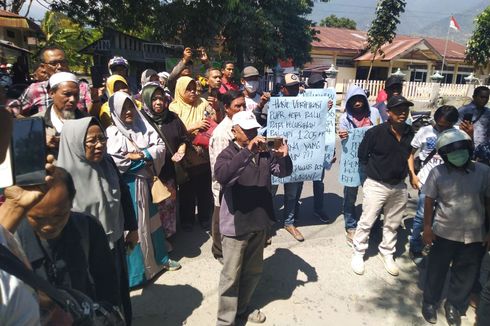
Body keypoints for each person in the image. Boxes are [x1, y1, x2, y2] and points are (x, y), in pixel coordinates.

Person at [215, 111, 292, 325]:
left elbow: (282, 172)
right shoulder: (228, 154)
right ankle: (225, 320)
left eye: (254, 130)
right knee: (231, 276)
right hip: (236, 224)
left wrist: (283, 156)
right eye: (246, 130)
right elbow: (223, 176)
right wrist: (248, 151)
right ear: (234, 131)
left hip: (259, 221)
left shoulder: (265, 153)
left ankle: (242, 309)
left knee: (253, 272)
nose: (252, 134)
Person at [57, 117, 138, 324]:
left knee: (119, 290)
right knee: (95, 299)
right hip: (85, 252)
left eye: (102, 138)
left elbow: (123, 196)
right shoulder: (61, 178)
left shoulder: (108, 162)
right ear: (74, 142)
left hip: (116, 239)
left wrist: (132, 228)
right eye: (91, 141)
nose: (99, 145)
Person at [15, 168, 121, 319]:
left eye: (58, 215)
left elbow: (107, 282)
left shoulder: (88, 228)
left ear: (71, 201)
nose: (49, 226)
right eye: (38, 218)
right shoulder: (12, 240)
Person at [106, 91, 180, 288]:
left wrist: (142, 154)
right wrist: (143, 158)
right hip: (129, 188)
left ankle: (160, 259)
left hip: (148, 184)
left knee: (153, 223)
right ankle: (137, 273)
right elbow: (116, 161)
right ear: (114, 112)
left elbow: (160, 148)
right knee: (135, 226)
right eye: (123, 109)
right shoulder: (112, 133)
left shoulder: (143, 126)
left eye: (130, 106)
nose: (129, 111)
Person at [421, 128, 490, 326]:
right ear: (443, 155)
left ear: (469, 149)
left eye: (461, 150)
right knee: (436, 270)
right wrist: (427, 228)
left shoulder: (484, 172)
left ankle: (454, 305)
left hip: (474, 234)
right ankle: (429, 302)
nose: (458, 155)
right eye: (452, 152)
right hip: (444, 231)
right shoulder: (437, 173)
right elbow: (429, 201)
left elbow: (488, 202)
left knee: (466, 273)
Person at [351, 95, 414, 276]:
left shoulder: (410, 132)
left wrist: (412, 175)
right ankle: (358, 252)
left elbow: (410, 153)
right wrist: (368, 181)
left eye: (405, 110)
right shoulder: (375, 132)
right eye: (398, 110)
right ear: (388, 113)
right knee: (367, 221)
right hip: (376, 184)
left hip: (399, 186)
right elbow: (362, 157)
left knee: (392, 223)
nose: (403, 113)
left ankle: (387, 253)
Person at [407, 106, 459, 264]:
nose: (441, 128)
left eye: (446, 125)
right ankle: (415, 246)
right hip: (426, 181)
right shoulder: (425, 131)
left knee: (444, 217)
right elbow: (410, 154)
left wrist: (469, 134)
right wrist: (412, 175)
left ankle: (435, 245)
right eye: (439, 124)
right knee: (422, 216)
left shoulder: (457, 133)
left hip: (449, 183)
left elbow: (467, 155)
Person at [140, 83, 188, 249]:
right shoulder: (140, 120)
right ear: (146, 99)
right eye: (154, 99)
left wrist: (181, 151)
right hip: (148, 174)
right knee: (151, 209)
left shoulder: (172, 118)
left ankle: (167, 237)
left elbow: (183, 138)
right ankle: (153, 241)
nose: (158, 102)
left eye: (161, 98)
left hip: (168, 173)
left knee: (168, 206)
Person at [338, 85, 382, 245]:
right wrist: (342, 135)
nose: (357, 102)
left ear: (365, 99)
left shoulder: (375, 113)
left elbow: (381, 130)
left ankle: (374, 224)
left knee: (373, 195)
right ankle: (350, 225)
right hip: (352, 162)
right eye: (353, 99)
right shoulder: (344, 118)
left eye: (360, 98)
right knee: (350, 195)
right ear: (349, 101)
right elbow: (344, 139)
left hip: (372, 161)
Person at [169, 76, 214, 231]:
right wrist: (193, 126)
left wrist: (210, 118)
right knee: (187, 191)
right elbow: (173, 132)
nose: (193, 92)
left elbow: (212, 119)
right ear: (180, 90)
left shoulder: (203, 103)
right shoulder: (174, 108)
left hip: (203, 156)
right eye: (188, 89)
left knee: (204, 190)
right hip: (185, 158)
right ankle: (187, 219)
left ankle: (205, 217)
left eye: (194, 88)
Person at [209, 90, 246, 262]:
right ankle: (218, 251)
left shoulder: (243, 125)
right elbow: (219, 168)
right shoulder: (222, 133)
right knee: (220, 217)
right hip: (224, 184)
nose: (241, 108)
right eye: (237, 106)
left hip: (238, 180)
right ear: (226, 108)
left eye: (243, 105)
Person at [19, 46, 96, 116]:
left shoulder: (82, 86)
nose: (59, 67)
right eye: (53, 63)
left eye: (62, 62)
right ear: (43, 67)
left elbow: (90, 114)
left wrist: (96, 99)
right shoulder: (34, 89)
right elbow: (18, 114)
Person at [34, 72, 85, 158]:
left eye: (76, 95)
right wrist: (39, 142)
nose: (72, 99)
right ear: (51, 93)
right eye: (67, 94)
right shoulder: (36, 123)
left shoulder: (87, 121)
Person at [279, 73, 304, 241]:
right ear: (283, 88)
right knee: (270, 192)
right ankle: (266, 225)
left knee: (291, 193)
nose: (295, 90)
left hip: (296, 156)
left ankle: (289, 222)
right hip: (275, 156)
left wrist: (327, 108)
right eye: (291, 88)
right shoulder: (273, 104)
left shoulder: (304, 104)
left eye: (296, 87)